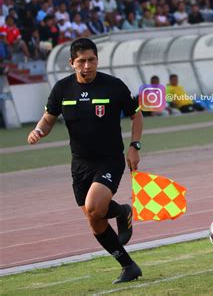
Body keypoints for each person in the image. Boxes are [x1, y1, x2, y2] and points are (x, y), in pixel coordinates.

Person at [27, 38, 143, 284]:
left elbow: (136, 115)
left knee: (95, 207)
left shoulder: (113, 86)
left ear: (97, 60)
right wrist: (38, 130)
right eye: (81, 61)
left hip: (109, 160)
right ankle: (128, 265)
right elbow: (48, 118)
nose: (87, 66)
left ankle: (123, 211)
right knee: (95, 221)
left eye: (91, 60)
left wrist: (134, 146)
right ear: (72, 63)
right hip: (79, 163)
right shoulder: (62, 89)